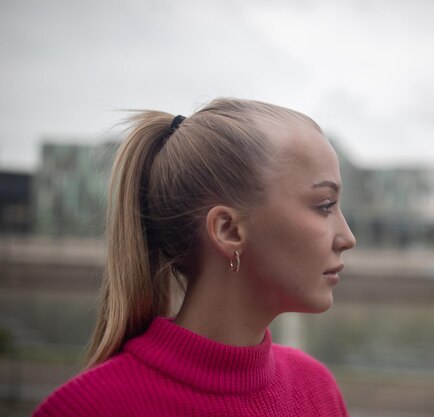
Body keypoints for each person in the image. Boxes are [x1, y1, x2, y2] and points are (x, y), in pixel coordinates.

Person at [33, 98, 356, 417]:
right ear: (228, 230)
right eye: (325, 205)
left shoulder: (317, 389)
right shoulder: (85, 408)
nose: (347, 238)